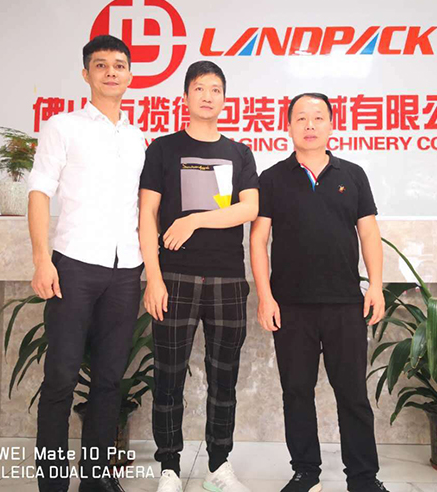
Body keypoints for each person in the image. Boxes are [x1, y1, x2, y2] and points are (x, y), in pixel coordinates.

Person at [250, 93, 388, 492]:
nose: (309, 125)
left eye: (317, 117)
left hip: (345, 303)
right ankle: (305, 472)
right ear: (288, 126)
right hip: (290, 306)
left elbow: (369, 233)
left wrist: (376, 286)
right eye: (301, 118)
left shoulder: (353, 174)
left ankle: (363, 478)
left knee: (353, 395)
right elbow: (258, 239)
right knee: (296, 392)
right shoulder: (272, 177)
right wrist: (265, 296)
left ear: (331, 124)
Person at [28, 34, 145, 492]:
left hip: (126, 269)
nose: (111, 72)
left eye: (119, 64)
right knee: (60, 377)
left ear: (130, 75)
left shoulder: (137, 138)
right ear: (86, 74)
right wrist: (42, 259)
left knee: (110, 380)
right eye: (101, 64)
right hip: (73, 266)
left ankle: (96, 481)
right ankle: (53, 484)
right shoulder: (63, 126)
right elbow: (39, 192)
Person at [139, 61, 258, 492]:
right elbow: (147, 214)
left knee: (223, 380)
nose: (208, 96)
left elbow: (249, 208)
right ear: (186, 97)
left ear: (225, 99)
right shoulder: (163, 149)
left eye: (215, 89)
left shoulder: (239, 153)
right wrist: (153, 278)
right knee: (168, 377)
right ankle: (169, 468)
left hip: (227, 280)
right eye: (199, 88)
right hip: (175, 278)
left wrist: (195, 220)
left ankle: (218, 466)